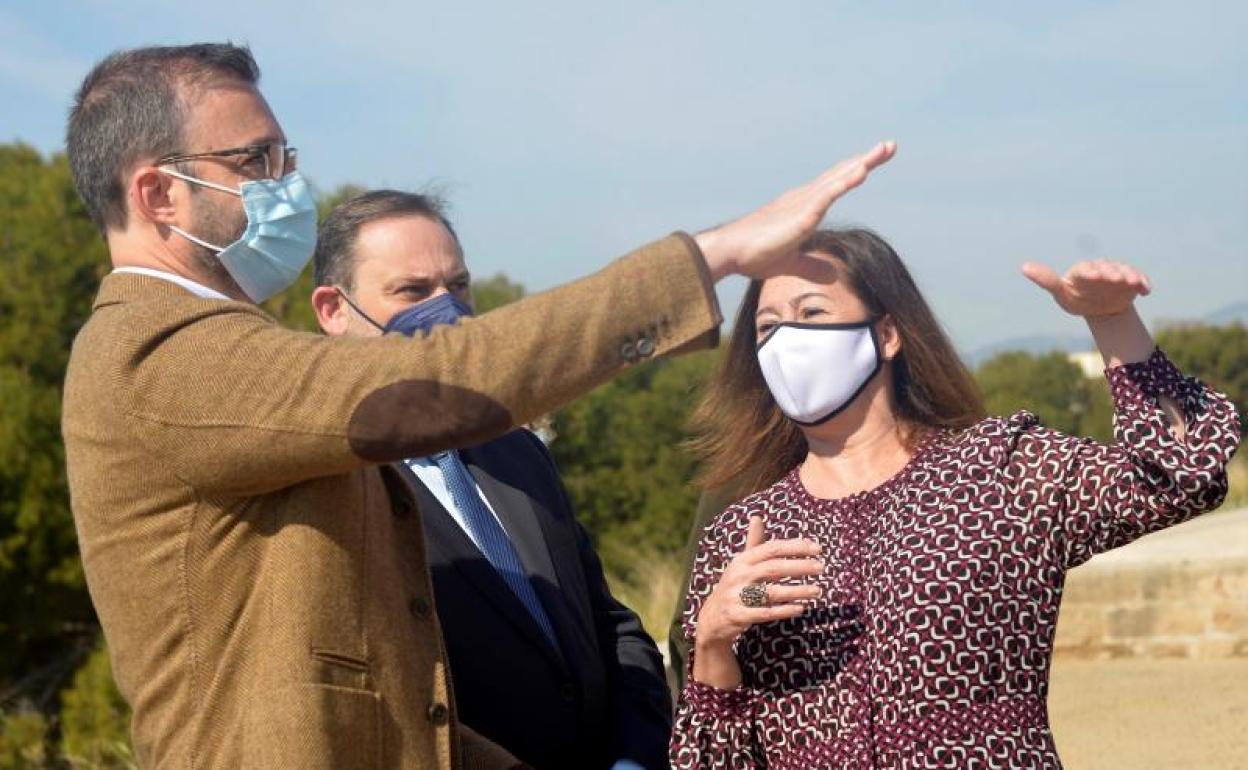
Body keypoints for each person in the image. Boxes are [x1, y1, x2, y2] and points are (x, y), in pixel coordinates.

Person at [59, 41, 896, 769]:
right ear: (159, 195)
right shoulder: (154, 353)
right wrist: (714, 255)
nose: (287, 185)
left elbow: (388, 701)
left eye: (287, 158)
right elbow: (429, 383)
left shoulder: (224, 354)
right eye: (255, 161)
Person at [669, 228, 1241, 768]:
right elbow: (710, 757)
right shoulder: (743, 530)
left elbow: (1182, 475)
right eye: (768, 327)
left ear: (887, 334)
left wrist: (1113, 321)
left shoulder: (999, 468)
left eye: (811, 313)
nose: (786, 341)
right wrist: (713, 644)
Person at [309, 189, 673, 770]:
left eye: (457, 286)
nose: (446, 310)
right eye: (412, 291)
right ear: (334, 310)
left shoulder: (515, 450)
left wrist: (634, 751)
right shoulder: (327, 488)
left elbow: (610, 624)